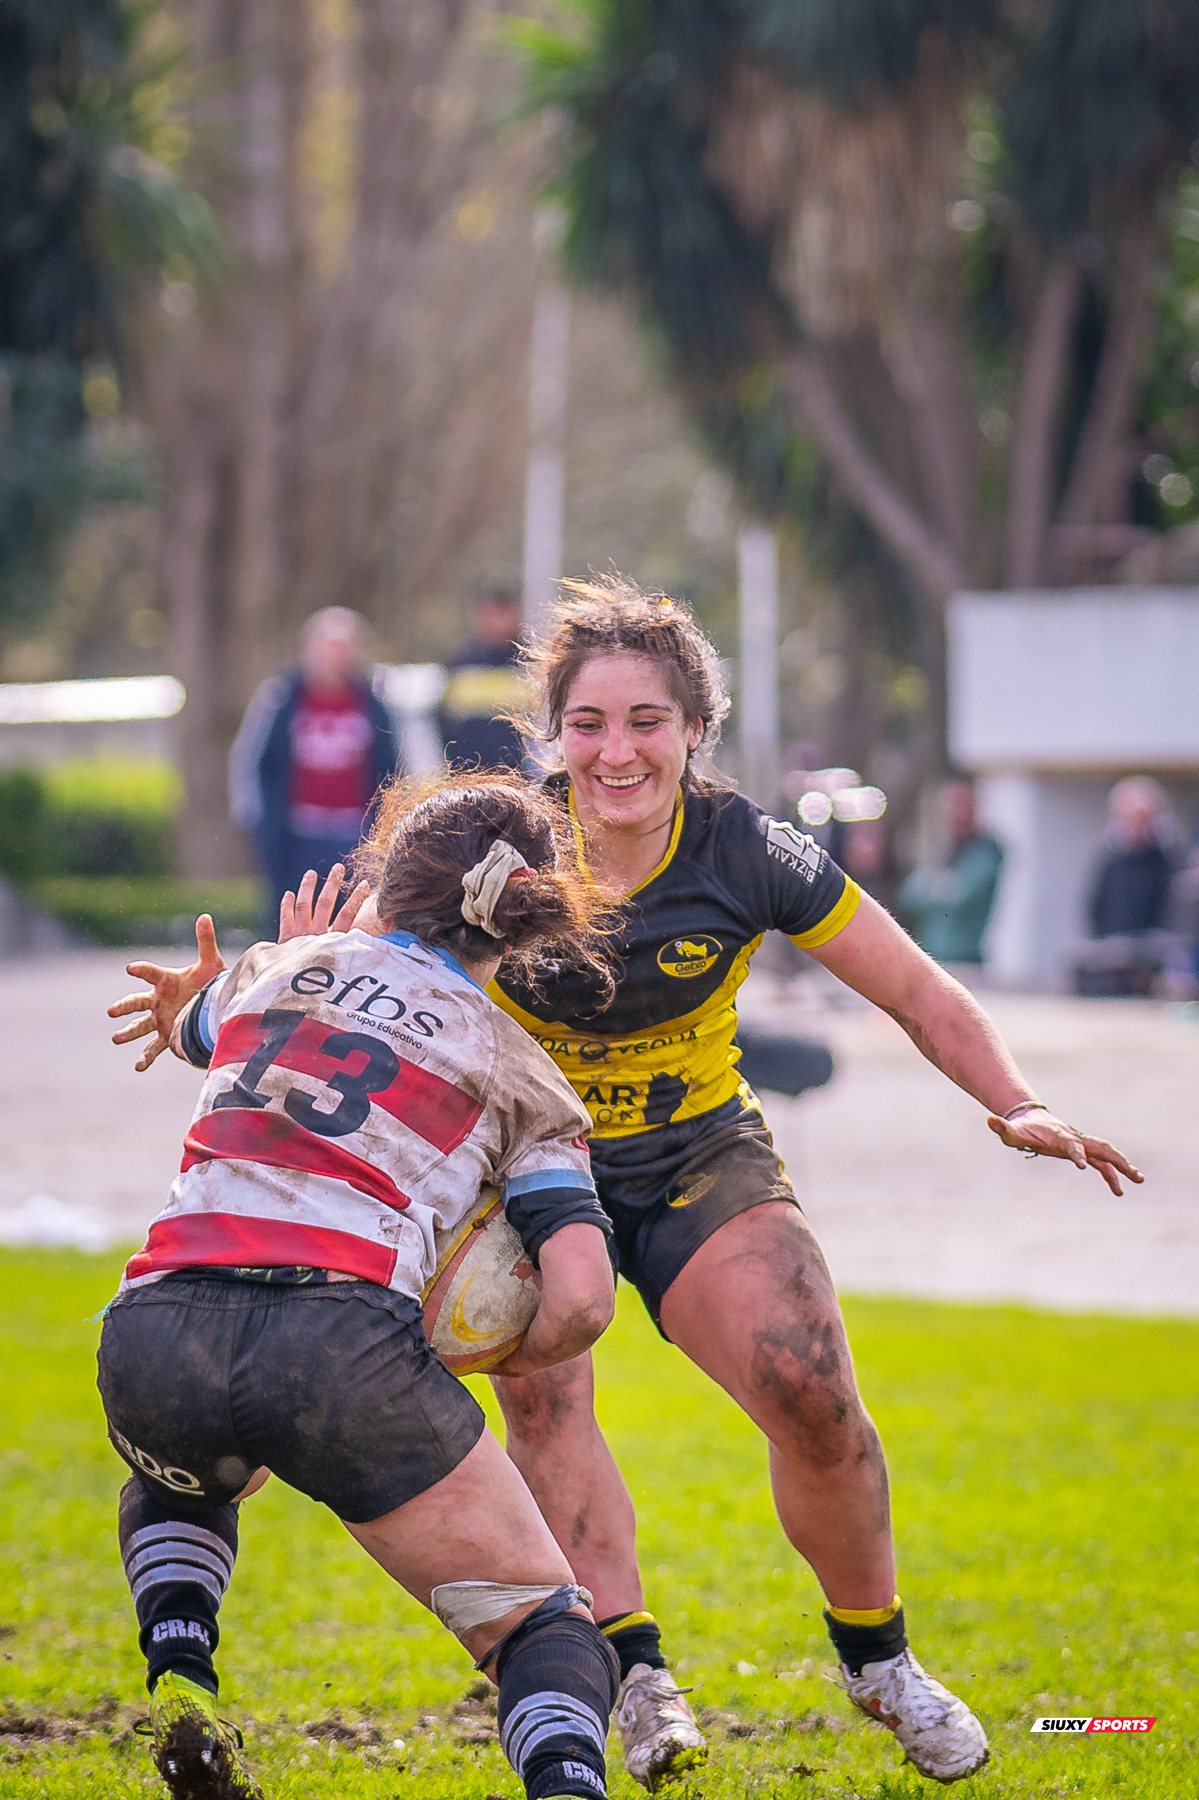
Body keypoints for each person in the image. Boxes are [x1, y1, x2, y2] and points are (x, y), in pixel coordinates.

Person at [127, 580, 1142, 1791]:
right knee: (548, 1405)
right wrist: (228, 995)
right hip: (520, 1166)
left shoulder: (746, 849)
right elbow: (353, 960)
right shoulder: (489, 838)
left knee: (814, 1391)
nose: (617, 750)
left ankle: (878, 1662)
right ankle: (632, 1670)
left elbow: (916, 988)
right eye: (590, 722)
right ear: (552, 733)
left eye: (647, 720)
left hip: (693, 1151)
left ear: (694, 729)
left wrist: (1012, 1098)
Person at [102, 776, 625, 1800]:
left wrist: (189, 1003)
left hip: (153, 1324)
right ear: (521, 924)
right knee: (547, 1627)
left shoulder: (275, 968)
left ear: (385, 879)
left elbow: (198, 1024)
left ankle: (181, 1679)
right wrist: (462, 1346)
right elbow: (581, 1299)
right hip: (339, 1343)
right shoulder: (522, 1072)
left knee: (185, 1475)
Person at [229, 607, 400, 924]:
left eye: (344, 647)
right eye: (328, 647)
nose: (336, 657)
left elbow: (398, 767)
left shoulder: (377, 705)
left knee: (357, 924)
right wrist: (258, 824)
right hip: (297, 835)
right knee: (292, 922)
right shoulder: (280, 700)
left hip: (357, 836)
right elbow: (250, 760)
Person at [897, 782, 1004, 966]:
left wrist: (933, 886)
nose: (954, 813)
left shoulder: (986, 852)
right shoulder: (947, 851)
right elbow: (909, 895)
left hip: (964, 959)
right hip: (931, 957)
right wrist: (939, 885)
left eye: (960, 804)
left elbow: (959, 897)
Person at [438, 584, 528, 770]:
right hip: (469, 776)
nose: (497, 621)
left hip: (522, 779)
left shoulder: (533, 662)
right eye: (491, 613)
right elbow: (442, 718)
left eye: (503, 612)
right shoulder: (460, 662)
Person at [1086, 776, 1177, 940]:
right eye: (1131, 817)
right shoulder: (1109, 862)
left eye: (1143, 818)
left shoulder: (1169, 861)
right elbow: (1095, 910)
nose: (1137, 824)